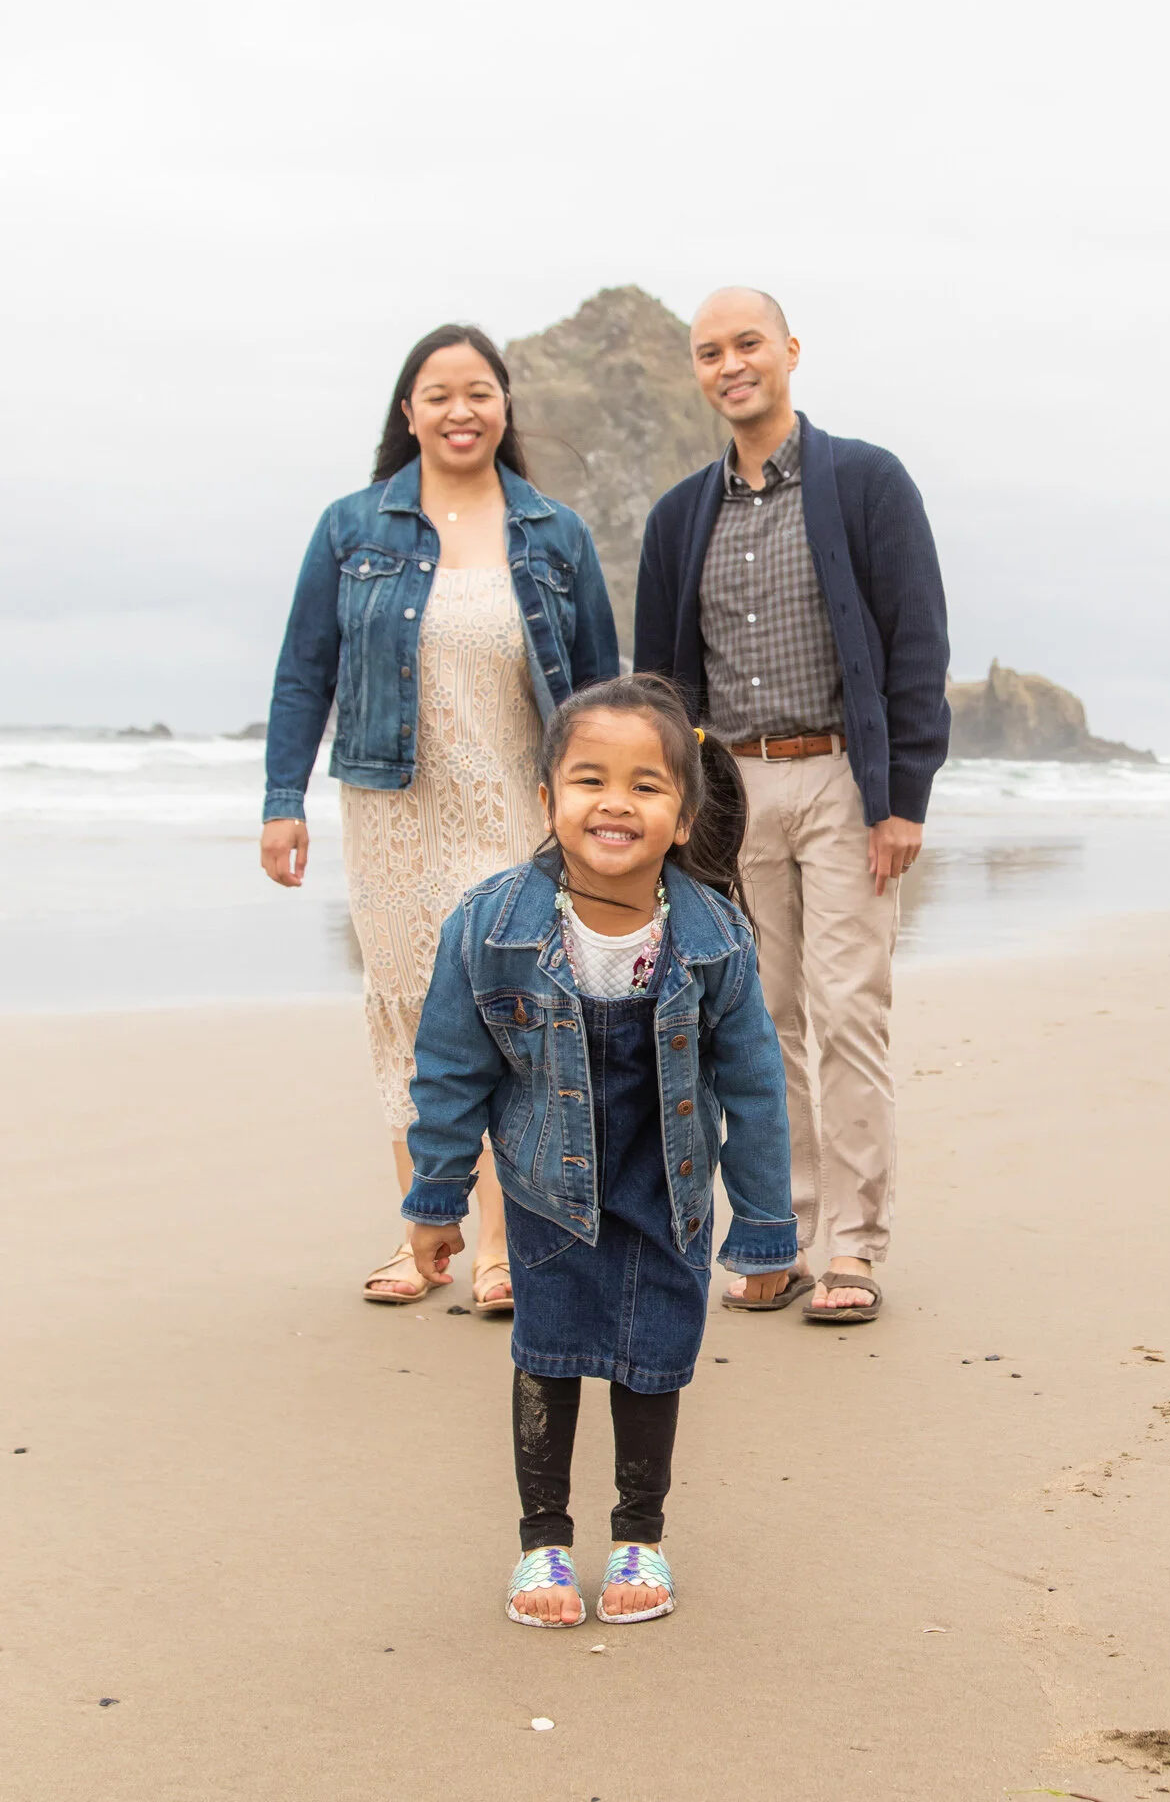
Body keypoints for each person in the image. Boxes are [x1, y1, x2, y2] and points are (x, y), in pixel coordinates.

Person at [402, 675, 796, 1626]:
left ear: (683, 813)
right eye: (588, 780)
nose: (614, 802)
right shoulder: (489, 927)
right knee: (548, 1353)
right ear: (547, 800)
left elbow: (753, 1089)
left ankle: (640, 1537)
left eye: (645, 786)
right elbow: (451, 1071)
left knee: (652, 1360)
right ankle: (542, 1546)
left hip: (668, 1188)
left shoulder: (713, 938)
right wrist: (434, 1201)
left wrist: (766, 1231)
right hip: (545, 1184)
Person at [261, 324, 620, 1306]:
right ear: (408, 412)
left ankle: (503, 1246)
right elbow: (303, 673)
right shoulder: (351, 528)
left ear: (504, 407)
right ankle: (425, 1235)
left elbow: (599, 692)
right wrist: (281, 801)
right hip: (390, 811)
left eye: (479, 391)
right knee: (410, 1013)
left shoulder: (554, 533)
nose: (460, 410)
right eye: (437, 393)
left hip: (520, 811)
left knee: (511, 1015)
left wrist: (605, 812)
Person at [634, 288, 950, 1325]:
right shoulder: (683, 515)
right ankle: (778, 1238)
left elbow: (914, 646)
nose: (730, 364)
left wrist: (900, 797)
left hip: (841, 783)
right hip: (729, 794)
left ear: (789, 352)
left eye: (747, 343)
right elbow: (658, 686)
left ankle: (852, 1247)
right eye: (709, 351)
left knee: (848, 1009)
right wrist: (668, 814)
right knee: (756, 1029)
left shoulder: (865, 481)